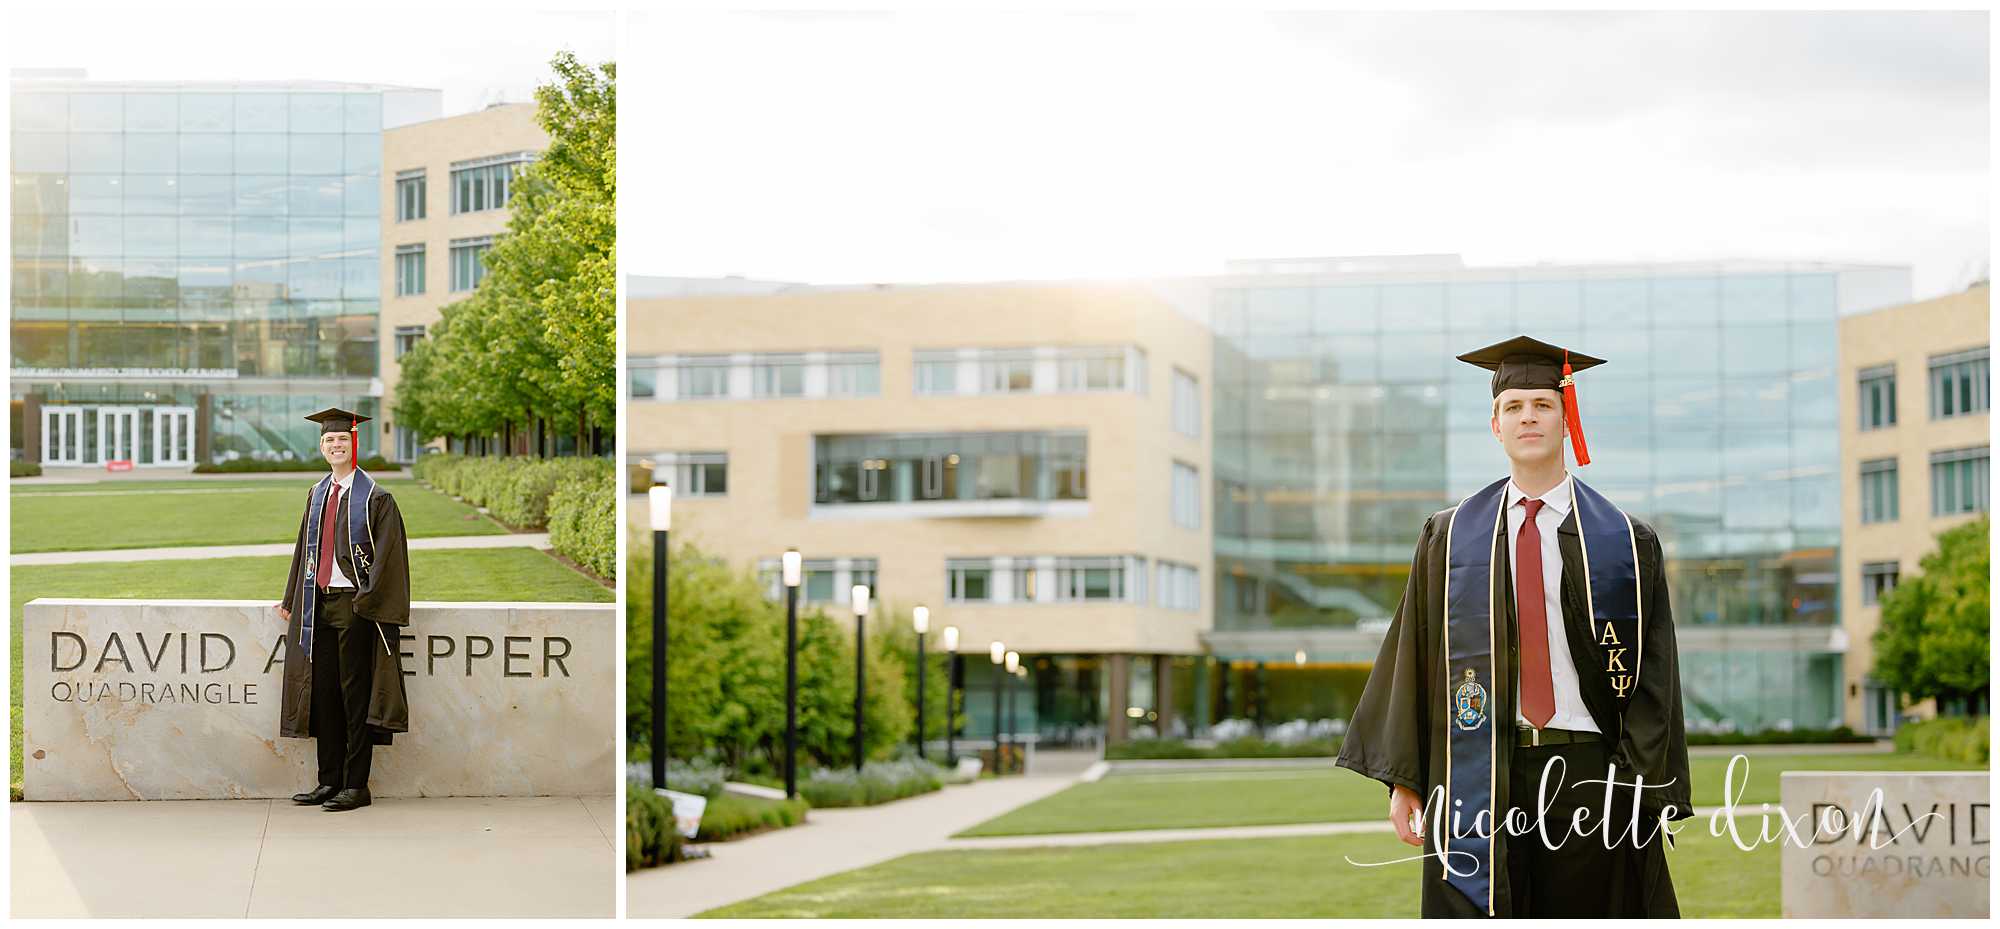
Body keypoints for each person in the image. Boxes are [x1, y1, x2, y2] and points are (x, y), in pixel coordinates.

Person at [1335, 336, 1691, 917]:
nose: (1529, 417)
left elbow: (1655, 675)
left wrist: (1640, 785)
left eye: (1543, 405)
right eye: (1514, 407)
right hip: (1480, 769)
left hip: (1590, 772)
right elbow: (1414, 659)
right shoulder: (1449, 539)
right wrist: (1406, 780)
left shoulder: (1627, 542)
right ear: (1495, 425)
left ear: (1566, 416)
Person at [274, 408, 412, 812]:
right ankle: (328, 781)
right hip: (317, 605)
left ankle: (357, 784)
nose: (336, 445)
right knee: (324, 694)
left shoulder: (377, 498)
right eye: (329, 441)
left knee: (356, 696)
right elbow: (303, 551)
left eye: (342, 440)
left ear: (354, 445)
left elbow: (390, 558)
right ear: (322, 447)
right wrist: (290, 600)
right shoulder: (317, 494)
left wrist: (365, 602)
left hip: (355, 605)